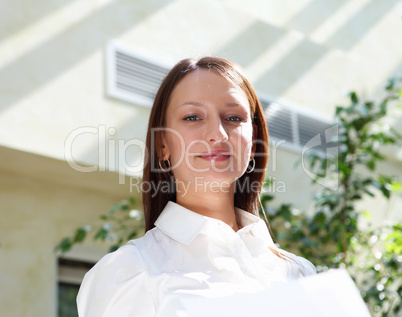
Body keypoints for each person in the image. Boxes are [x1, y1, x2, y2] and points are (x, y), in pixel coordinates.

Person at [77, 57, 316, 316]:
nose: (218, 134)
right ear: (162, 144)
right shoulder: (129, 272)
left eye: (234, 117)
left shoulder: (301, 274)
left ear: (253, 143)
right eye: (192, 116)